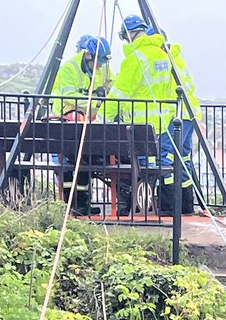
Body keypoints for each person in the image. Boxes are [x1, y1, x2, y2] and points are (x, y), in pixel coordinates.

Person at [106, 15, 200, 213]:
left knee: (156, 163)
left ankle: (167, 207)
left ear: (129, 34)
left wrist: (101, 118)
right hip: (172, 117)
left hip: (149, 122)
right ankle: (180, 206)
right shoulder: (165, 57)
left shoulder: (137, 57)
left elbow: (120, 92)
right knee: (176, 161)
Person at [52, 35, 112, 215]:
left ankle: (83, 204)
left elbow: (112, 84)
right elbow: (68, 95)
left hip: (87, 119)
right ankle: (73, 204)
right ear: (88, 56)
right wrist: (95, 100)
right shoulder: (70, 68)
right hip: (67, 119)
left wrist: (106, 92)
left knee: (86, 158)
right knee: (73, 161)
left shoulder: (102, 68)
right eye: (97, 62)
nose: (100, 66)